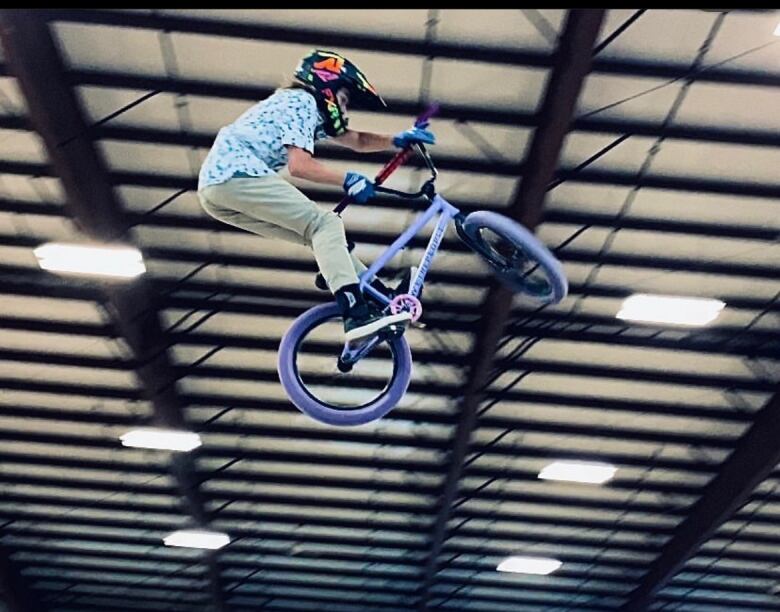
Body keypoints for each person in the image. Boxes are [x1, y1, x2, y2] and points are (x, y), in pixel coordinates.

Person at [197, 49, 435, 342]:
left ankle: (380, 295)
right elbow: (299, 165)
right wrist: (347, 180)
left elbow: (357, 140)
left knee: (322, 237)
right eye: (344, 100)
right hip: (236, 173)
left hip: (216, 192)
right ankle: (355, 313)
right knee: (326, 224)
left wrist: (397, 139)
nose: (344, 110)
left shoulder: (304, 110)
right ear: (327, 86)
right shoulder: (301, 102)